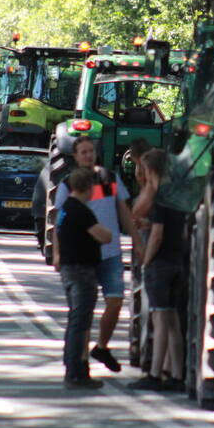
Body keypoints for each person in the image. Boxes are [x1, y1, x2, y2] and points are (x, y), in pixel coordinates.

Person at [51, 135, 144, 373]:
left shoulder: (108, 178)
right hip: (83, 256)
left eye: (91, 151)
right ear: (75, 156)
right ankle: (80, 360)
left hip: (110, 253)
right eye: (83, 152)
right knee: (84, 310)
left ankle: (101, 346)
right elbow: (60, 221)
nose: (88, 156)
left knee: (116, 300)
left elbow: (124, 212)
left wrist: (137, 241)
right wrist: (58, 253)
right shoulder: (69, 183)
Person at [129, 150, 185, 391]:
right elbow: (173, 228)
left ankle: (154, 374)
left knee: (159, 319)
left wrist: (147, 260)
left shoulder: (160, 197)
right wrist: (148, 223)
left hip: (160, 264)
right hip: (177, 261)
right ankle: (177, 375)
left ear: (151, 170)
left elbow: (157, 235)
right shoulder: (177, 196)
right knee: (173, 320)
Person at [56, 167, 113, 390]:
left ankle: (74, 368)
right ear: (87, 187)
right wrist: (108, 232)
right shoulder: (80, 210)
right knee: (81, 323)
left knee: (75, 321)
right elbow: (104, 236)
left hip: (69, 269)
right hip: (82, 271)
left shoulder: (65, 208)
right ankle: (75, 372)